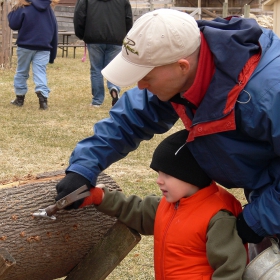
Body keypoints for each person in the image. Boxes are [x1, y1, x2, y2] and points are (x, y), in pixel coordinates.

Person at [55, 9, 280, 259]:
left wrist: (259, 219)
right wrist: (84, 166)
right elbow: (131, 117)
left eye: (146, 77)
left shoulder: (269, 93)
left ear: (182, 66)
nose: (140, 85)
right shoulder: (186, 66)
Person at [80, 129, 247, 279]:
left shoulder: (218, 216)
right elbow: (138, 212)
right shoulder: (168, 204)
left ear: (190, 174)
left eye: (166, 175)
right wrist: (101, 198)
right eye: (159, 174)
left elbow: (230, 270)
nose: (159, 181)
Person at [73, 0, 133, 107]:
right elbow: (128, 17)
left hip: (94, 38)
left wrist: (82, 34)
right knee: (114, 68)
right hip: (116, 38)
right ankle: (114, 88)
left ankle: (97, 100)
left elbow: (79, 15)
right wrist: (125, 34)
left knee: (96, 69)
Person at [8, 0, 58, 110]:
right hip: (44, 46)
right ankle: (42, 98)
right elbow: (54, 30)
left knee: (22, 71)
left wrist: (13, 10)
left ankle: (19, 98)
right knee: (40, 72)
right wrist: (53, 53)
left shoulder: (23, 6)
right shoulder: (48, 8)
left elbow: (13, 24)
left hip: (25, 45)